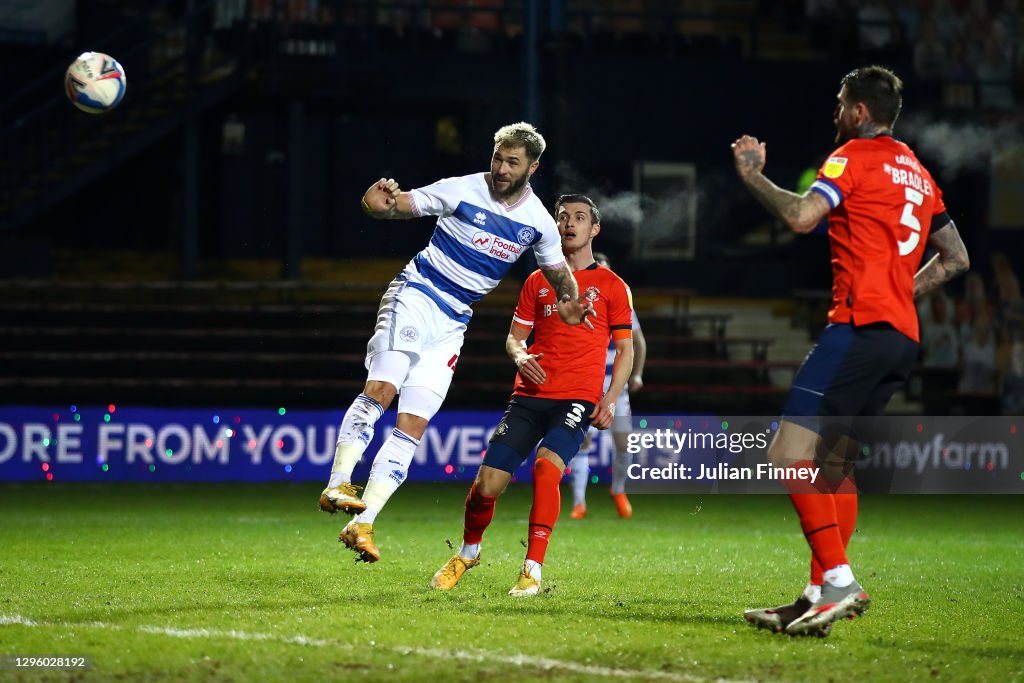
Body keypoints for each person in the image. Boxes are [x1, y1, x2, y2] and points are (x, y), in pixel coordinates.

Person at [732, 65, 969, 636]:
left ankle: (839, 580)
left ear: (859, 111)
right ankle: (817, 594)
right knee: (837, 467)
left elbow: (800, 216)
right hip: (901, 337)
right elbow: (957, 257)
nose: (835, 113)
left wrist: (752, 176)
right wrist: (900, 293)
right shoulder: (915, 169)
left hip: (858, 327)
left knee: (788, 455)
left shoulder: (852, 157)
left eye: (841, 104)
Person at [319, 122, 594, 563]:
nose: (501, 169)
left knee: (413, 424)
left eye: (512, 162)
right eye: (497, 158)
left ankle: (363, 522)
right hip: (417, 295)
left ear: (533, 167)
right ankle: (338, 482)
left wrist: (570, 301)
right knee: (383, 390)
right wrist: (378, 205)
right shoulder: (461, 189)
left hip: (453, 321)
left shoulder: (538, 221)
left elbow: (559, 273)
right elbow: (399, 205)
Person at [430, 194, 634, 596]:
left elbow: (625, 350)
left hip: (576, 399)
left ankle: (532, 570)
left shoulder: (612, 286)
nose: (569, 224)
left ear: (595, 229)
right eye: (562, 218)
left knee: (546, 468)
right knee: (487, 484)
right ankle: (469, 552)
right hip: (529, 396)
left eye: (579, 218)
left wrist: (609, 399)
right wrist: (521, 357)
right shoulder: (537, 282)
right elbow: (514, 339)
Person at [568, 252, 647, 519]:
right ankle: (579, 503)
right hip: (586, 385)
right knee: (583, 442)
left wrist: (637, 375)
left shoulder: (621, 302)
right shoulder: (579, 304)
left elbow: (638, 343)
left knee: (624, 444)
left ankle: (618, 489)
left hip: (617, 389)